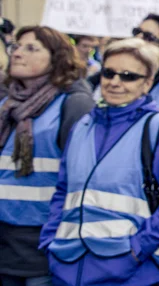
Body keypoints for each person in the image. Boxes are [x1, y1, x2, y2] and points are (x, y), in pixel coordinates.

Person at [40, 38, 159, 286]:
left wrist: (139, 247)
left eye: (128, 76)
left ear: (147, 83)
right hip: (67, 265)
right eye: (109, 72)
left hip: (129, 271)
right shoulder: (82, 126)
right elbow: (63, 189)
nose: (115, 81)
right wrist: (50, 239)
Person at [0, 26, 94, 285]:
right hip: (5, 241)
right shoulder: (6, 104)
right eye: (16, 46)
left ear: (57, 58)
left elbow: (83, 177)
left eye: (31, 48)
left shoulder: (73, 103)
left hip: (44, 241)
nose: (18, 53)